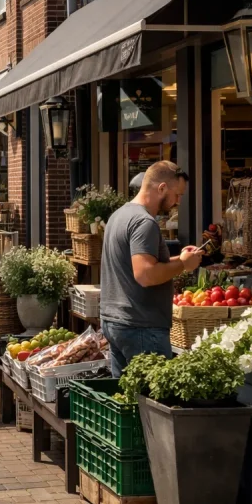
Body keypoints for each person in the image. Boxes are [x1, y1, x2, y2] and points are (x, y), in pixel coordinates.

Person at [100, 161, 203, 378]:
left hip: (115, 322)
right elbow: (145, 274)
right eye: (177, 195)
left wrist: (181, 258)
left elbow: (136, 263)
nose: (178, 202)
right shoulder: (144, 222)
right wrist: (183, 265)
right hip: (141, 327)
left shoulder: (118, 216)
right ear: (162, 188)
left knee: (126, 395)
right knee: (153, 397)